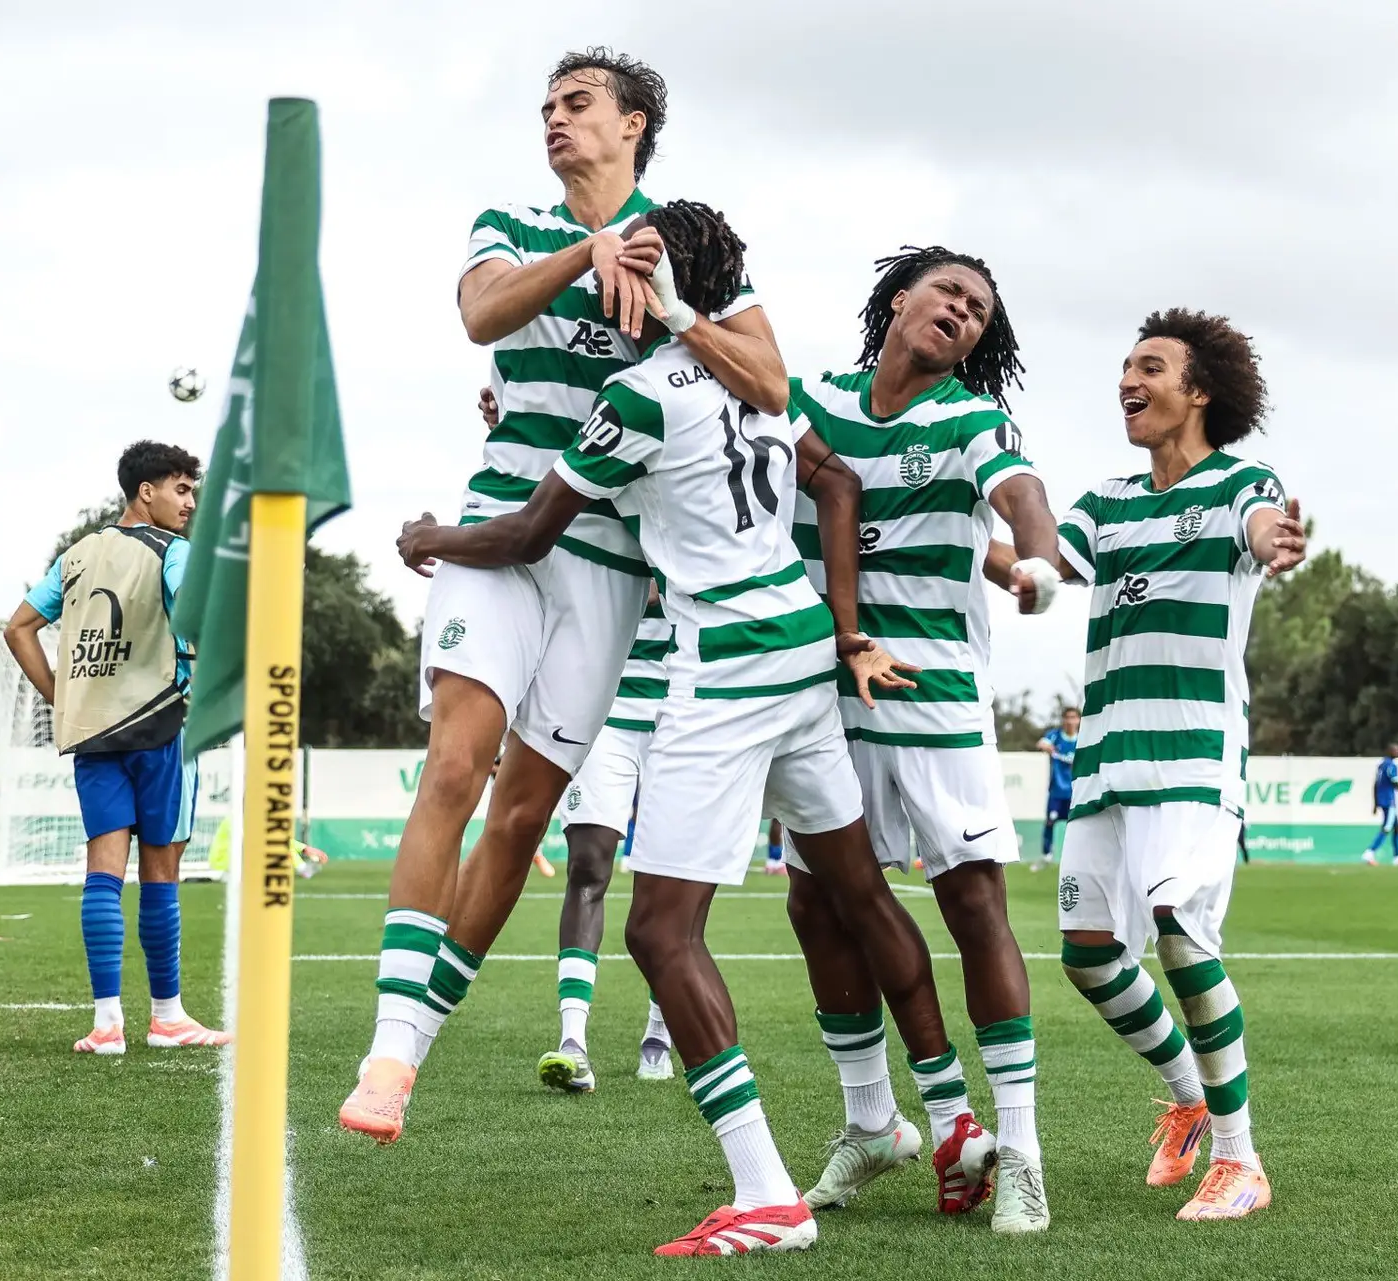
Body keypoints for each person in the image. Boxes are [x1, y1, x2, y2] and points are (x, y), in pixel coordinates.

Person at [396, 200, 973, 1257]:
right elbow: (828, 478)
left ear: (659, 283)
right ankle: (948, 1119)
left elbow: (531, 530)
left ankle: (765, 1193)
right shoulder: (757, 385)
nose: (606, 282)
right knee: (858, 890)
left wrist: (432, 534)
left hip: (731, 672)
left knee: (660, 932)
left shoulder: (643, 392)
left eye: (628, 266)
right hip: (803, 649)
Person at [340, 50, 792, 1145]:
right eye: (546, 107)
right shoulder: (508, 220)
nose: (555, 120)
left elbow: (770, 381)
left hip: (610, 561)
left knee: (528, 813)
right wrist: (584, 254)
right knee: (457, 760)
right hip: (497, 535)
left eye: (578, 105)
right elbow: (482, 316)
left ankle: (421, 1040)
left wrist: (677, 307)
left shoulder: (682, 238)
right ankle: (389, 1054)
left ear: (634, 124)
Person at [782, 245, 1063, 1233]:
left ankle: (1019, 1152)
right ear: (898, 300)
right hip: (819, 697)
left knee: (973, 905)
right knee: (816, 910)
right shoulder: (812, 401)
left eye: (980, 310)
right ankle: (873, 1125)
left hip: (933, 694)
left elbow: (1023, 492)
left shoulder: (971, 419)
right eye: (949, 292)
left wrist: (1036, 561)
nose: (963, 312)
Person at [1047, 308, 1305, 1222]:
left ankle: (1241, 1161)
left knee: (1178, 928)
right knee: (1087, 956)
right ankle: (1189, 1094)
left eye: (1149, 365)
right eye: (1124, 363)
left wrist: (1277, 539)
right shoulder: (1107, 501)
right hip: (1107, 758)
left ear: (1198, 391)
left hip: (1194, 756)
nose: (1128, 378)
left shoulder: (1241, 482)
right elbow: (1043, 558)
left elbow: (1265, 525)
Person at [3, 441, 227, 1054]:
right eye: (180, 490)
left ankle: (107, 1025)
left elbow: (20, 629)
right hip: (163, 727)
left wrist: (60, 697)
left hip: (94, 734)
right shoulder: (174, 553)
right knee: (161, 872)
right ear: (145, 491)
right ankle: (167, 1017)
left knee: (101, 873)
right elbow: (201, 614)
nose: (189, 502)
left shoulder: (76, 556)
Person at [535, 581, 675, 1093]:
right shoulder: (599, 502)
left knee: (671, 883)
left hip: (684, 715)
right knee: (588, 867)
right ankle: (574, 1043)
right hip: (603, 712)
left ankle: (658, 1035)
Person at [1035, 707, 1081, 869]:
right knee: (1050, 821)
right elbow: (1041, 743)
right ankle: (1046, 856)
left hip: (1076, 792)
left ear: (1079, 720)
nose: (1070, 721)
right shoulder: (1055, 736)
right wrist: (1047, 747)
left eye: (1073, 717)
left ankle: (1076, 858)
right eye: (1067, 717)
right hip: (1056, 791)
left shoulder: (1082, 739)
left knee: (1077, 826)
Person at [1362, 745, 1398, 865]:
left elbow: (1376, 784)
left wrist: (1375, 803)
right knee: (1387, 827)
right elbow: (1395, 782)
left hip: (1382, 800)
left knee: (1397, 827)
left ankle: (1397, 857)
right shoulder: (1391, 766)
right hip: (1389, 801)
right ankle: (1369, 852)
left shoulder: (1381, 765)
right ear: (1389, 751)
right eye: (1395, 750)